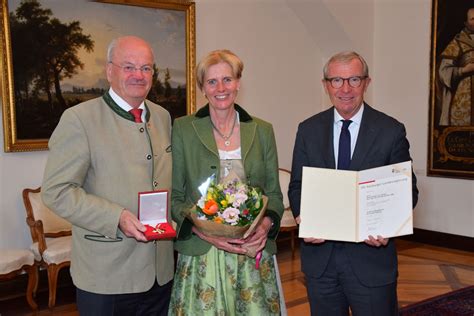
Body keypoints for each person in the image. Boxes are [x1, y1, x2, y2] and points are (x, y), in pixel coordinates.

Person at [42, 36, 174, 315]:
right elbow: (57, 191)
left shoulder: (162, 117)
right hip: (107, 276)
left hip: (160, 273)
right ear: (110, 70)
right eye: (129, 67)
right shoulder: (79, 119)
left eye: (146, 68)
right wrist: (117, 217)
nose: (139, 75)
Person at [288, 51, 419, 316]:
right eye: (337, 80)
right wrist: (306, 216)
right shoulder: (308, 130)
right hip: (320, 262)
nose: (345, 89)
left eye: (354, 80)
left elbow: (407, 191)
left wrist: (388, 226)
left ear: (367, 83)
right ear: (326, 85)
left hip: (371, 261)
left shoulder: (390, 130)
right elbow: (297, 186)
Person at [168, 49, 284, 315]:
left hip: (252, 252)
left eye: (227, 79)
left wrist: (264, 227)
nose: (221, 88)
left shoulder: (262, 130)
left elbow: (274, 194)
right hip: (202, 254)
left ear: (238, 82)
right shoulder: (183, 129)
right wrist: (204, 232)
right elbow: (175, 198)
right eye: (212, 82)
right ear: (202, 88)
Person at [438, 7, 474, 126]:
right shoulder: (457, 42)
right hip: (463, 97)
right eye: (473, 19)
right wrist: (463, 70)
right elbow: (443, 71)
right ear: (465, 23)